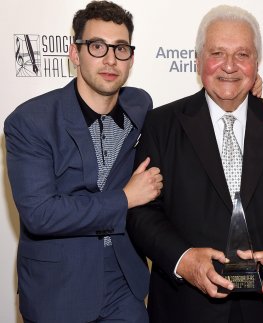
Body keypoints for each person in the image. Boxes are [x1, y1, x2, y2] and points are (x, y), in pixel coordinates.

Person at [126, 5, 263, 323]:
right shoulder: (160, 124)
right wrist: (182, 259)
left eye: (242, 54)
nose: (229, 66)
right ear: (198, 60)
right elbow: (141, 212)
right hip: (184, 308)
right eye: (217, 52)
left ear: (256, 63)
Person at [4, 1, 163, 322]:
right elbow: (40, 214)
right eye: (97, 46)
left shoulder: (140, 105)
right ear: (75, 54)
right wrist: (125, 198)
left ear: (131, 58)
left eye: (120, 49)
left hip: (123, 281)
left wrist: (255, 97)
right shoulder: (31, 121)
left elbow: (189, 118)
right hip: (58, 286)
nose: (109, 59)